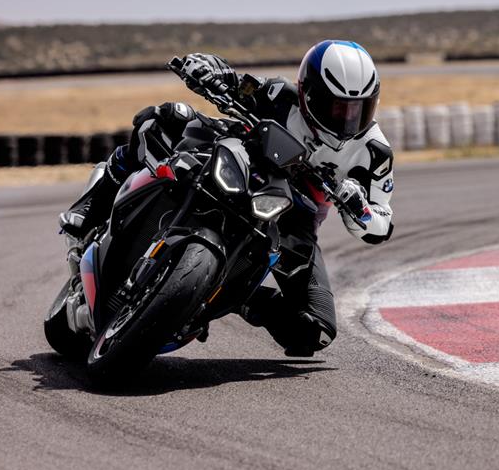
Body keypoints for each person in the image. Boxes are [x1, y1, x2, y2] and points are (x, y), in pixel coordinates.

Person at [59, 40, 395, 357]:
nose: (346, 118)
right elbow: (238, 85)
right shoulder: (282, 95)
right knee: (163, 117)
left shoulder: (375, 152)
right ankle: (90, 207)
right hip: (241, 157)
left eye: (357, 109)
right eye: (335, 107)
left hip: (295, 216)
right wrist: (210, 69)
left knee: (314, 330)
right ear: (308, 93)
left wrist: (360, 209)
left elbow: (381, 224)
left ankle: (235, 295)